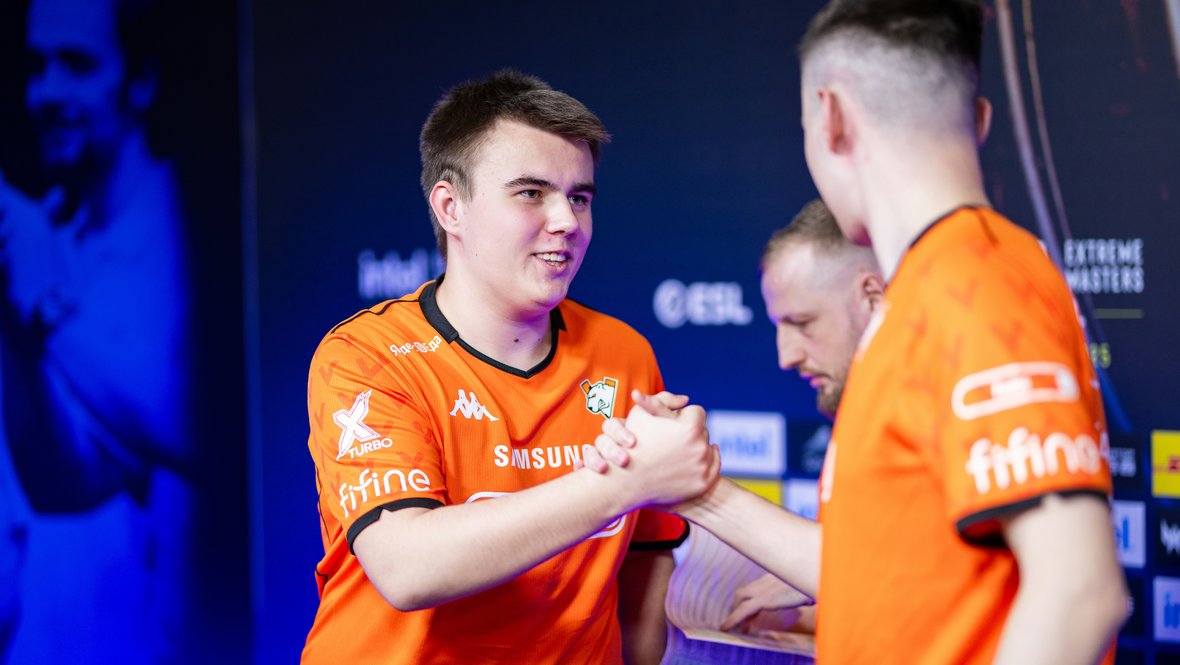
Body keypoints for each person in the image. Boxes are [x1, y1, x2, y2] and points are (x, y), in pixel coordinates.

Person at [590, 2, 1128, 663]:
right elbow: (896, 571)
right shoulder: (927, 290)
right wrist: (694, 489)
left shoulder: (971, 282)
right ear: (981, 120)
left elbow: (1080, 589)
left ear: (833, 117)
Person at [301, 70, 716, 665]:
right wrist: (625, 483)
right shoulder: (369, 355)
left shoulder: (623, 353)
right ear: (451, 207)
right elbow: (408, 566)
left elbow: (644, 570)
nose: (567, 221)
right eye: (531, 193)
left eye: (580, 197)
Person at [0, 0, 192, 661]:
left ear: (140, 80)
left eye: (76, 65)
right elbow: (56, 482)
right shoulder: (43, 234)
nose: (46, 93)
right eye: (35, 67)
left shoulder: (193, 240)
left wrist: (45, 309)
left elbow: (180, 419)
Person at [720, 198, 883, 636]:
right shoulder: (860, 410)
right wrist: (808, 612)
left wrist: (699, 491)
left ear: (871, 295)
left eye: (802, 322)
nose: (785, 356)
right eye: (779, 326)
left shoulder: (931, 404)